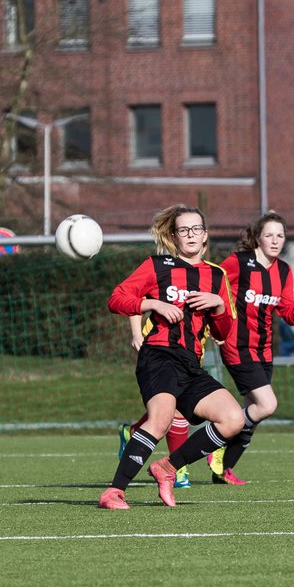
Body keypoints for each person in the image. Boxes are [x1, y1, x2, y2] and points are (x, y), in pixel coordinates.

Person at [98, 204, 245, 509]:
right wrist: (152, 305)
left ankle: (167, 468)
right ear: (175, 237)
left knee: (233, 419)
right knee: (161, 420)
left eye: (196, 229)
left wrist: (218, 305)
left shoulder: (217, 277)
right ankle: (114, 491)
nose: (190, 235)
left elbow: (224, 332)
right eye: (183, 230)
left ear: (205, 236)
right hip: (159, 355)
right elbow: (116, 299)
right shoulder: (157, 266)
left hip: (191, 364)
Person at [211, 211, 294, 484]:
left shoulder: (283, 270)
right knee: (267, 404)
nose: (275, 240)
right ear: (258, 238)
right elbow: (213, 285)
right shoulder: (239, 263)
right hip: (236, 345)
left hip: (264, 349)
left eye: (280, 235)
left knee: (254, 411)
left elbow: (288, 313)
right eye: (269, 235)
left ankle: (225, 469)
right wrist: (216, 323)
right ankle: (216, 444)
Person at [117, 314, 196, 489]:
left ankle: (134, 432)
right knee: (176, 408)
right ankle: (176, 468)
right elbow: (135, 300)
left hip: (192, 349)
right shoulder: (162, 286)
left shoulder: (212, 287)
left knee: (169, 411)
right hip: (160, 350)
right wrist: (137, 333)